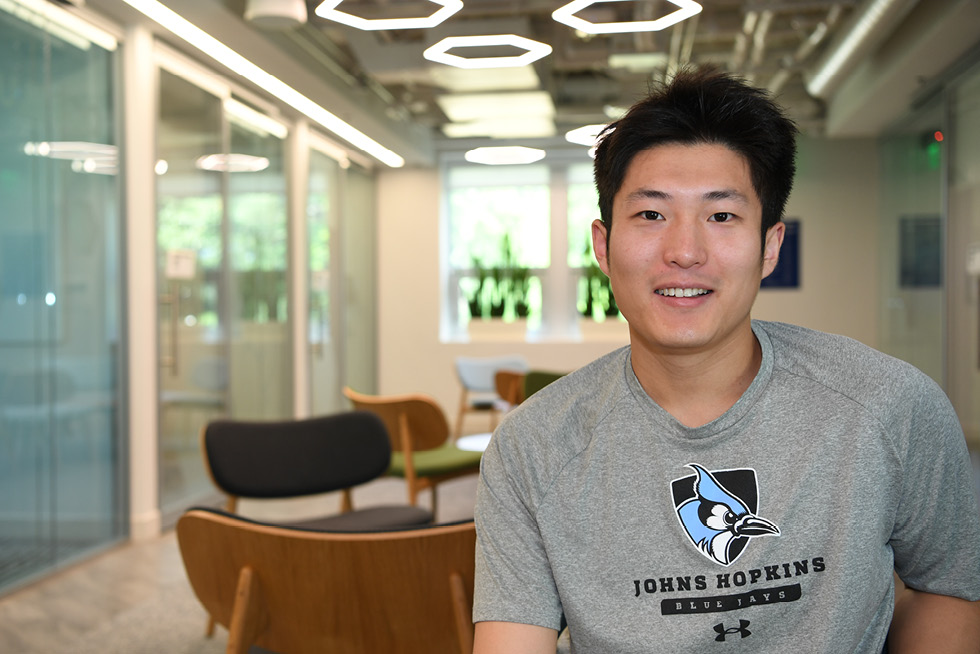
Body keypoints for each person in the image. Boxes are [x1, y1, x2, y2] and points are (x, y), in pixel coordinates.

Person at [472, 67, 980, 653]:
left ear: (769, 247)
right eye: (651, 214)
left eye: (721, 216)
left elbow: (948, 587)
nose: (685, 251)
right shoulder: (532, 447)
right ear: (603, 247)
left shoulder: (892, 407)